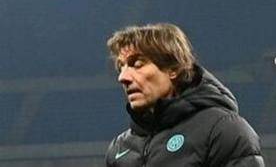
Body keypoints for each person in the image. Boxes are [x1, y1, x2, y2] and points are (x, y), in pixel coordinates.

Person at [105, 23, 264, 166]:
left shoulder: (222, 130)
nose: (123, 77)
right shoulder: (120, 147)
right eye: (121, 67)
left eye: (137, 64)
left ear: (173, 69)